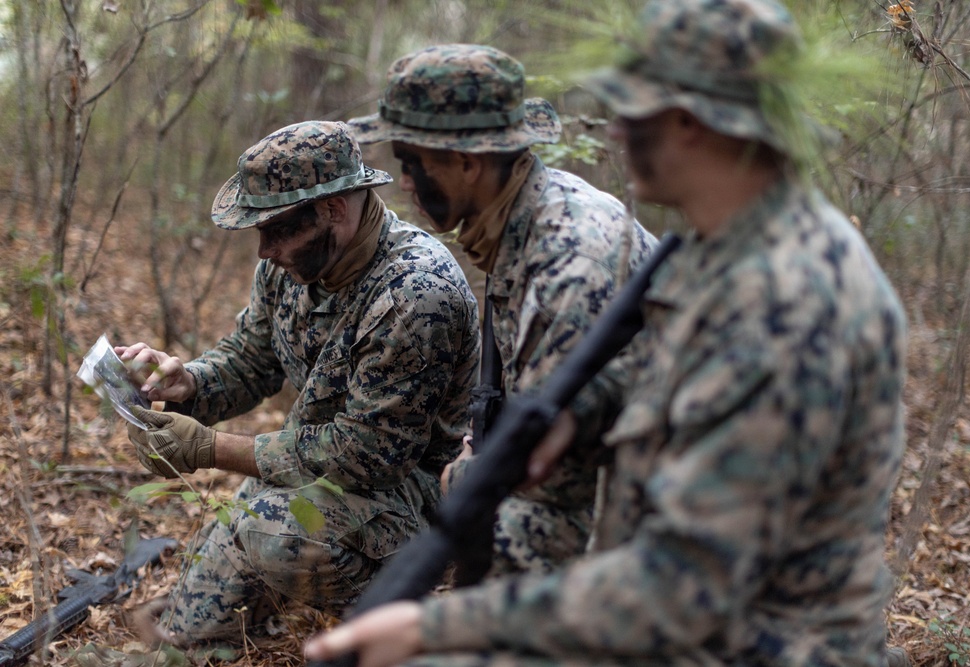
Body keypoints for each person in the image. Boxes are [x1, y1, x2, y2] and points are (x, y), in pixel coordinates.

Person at [303, 0, 909, 665]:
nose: (617, 131)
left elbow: (681, 587)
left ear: (688, 124)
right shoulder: (725, 249)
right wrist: (580, 411)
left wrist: (435, 625)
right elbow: (669, 380)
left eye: (633, 113)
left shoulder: (783, 298)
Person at [117, 120, 480, 646]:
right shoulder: (292, 266)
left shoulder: (415, 293)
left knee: (273, 530)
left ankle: (416, 615)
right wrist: (188, 384)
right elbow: (250, 357)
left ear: (334, 209)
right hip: (313, 476)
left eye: (278, 229)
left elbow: (367, 456)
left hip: (417, 500)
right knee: (186, 638)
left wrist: (210, 448)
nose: (264, 250)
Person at [347, 43, 657, 578]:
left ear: (467, 164)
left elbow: (556, 481)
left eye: (412, 163)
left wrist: (467, 479)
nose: (405, 181)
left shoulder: (569, 259)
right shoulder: (515, 219)